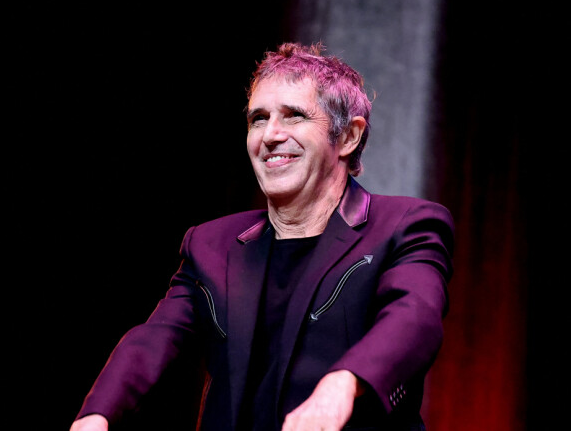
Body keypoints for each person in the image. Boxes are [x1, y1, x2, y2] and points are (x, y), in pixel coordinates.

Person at [71, 42, 454, 431]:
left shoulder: (406, 224)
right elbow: (154, 340)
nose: (269, 135)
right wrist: (96, 415)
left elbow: (414, 317)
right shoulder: (210, 244)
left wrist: (341, 384)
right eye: (258, 119)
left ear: (348, 137)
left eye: (293, 116)